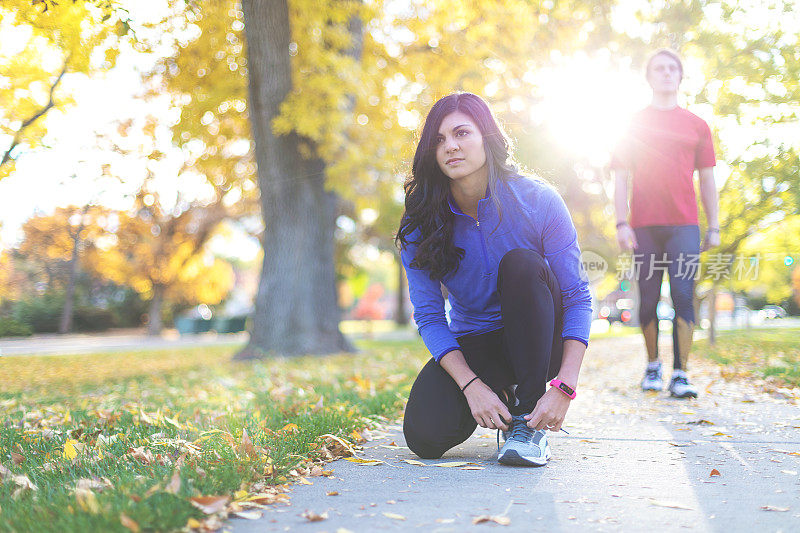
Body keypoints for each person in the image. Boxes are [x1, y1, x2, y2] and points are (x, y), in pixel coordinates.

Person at [395, 93, 592, 466]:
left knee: (520, 264)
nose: (450, 146)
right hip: (478, 341)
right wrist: (471, 386)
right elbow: (430, 317)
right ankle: (504, 390)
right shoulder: (419, 223)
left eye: (461, 133)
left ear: (486, 137)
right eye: (438, 140)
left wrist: (564, 386)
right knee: (424, 436)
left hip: (539, 337)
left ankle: (526, 418)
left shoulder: (538, 200)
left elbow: (577, 296)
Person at [611, 49, 720, 398]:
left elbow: (707, 180)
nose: (666, 73)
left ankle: (681, 374)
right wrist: (620, 223)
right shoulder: (631, 124)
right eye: (659, 67)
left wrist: (714, 226)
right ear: (649, 76)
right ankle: (653, 366)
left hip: (684, 226)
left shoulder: (697, 125)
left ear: (680, 76)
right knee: (647, 300)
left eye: (673, 68)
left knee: (683, 296)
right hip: (643, 227)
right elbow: (619, 179)